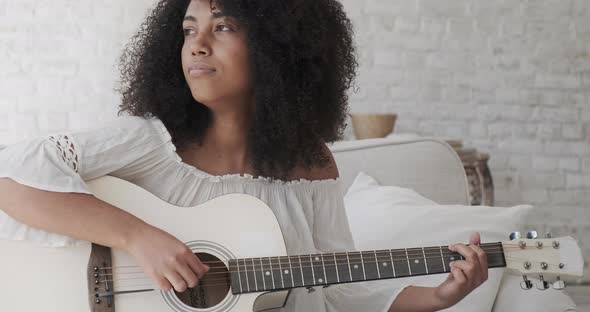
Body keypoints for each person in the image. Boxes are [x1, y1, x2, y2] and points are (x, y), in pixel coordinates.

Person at [0, 0, 488, 311]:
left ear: (280, 49)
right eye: (189, 30)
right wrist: (141, 238)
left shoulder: (312, 166)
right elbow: (11, 175)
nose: (198, 46)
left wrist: (442, 295)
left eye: (224, 26)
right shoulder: (149, 142)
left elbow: (340, 290)